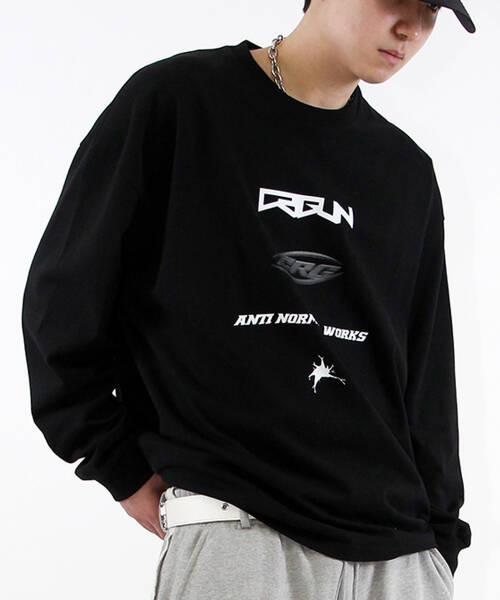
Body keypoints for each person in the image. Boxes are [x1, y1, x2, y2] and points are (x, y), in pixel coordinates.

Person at [21, 1, 475, 598]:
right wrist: (116, 462)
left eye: (431, 9)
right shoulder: (179, 103)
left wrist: (440, 541)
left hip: (401, 555)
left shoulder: (405, 170)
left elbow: (428, 373)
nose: (412, 27)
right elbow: (62, 300)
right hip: (241, 529)